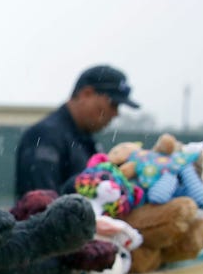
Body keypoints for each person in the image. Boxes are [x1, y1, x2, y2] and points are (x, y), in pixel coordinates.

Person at [14, 65, 139, 199]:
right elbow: (40, 207)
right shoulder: (46, 136)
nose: (116, 113)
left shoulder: (84, 138)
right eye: (113, 104)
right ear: (86, 94)